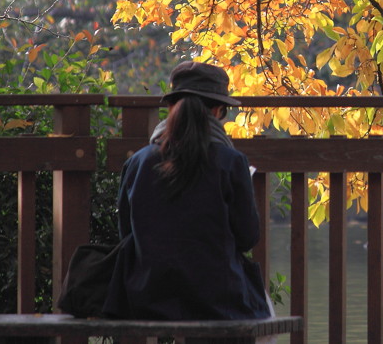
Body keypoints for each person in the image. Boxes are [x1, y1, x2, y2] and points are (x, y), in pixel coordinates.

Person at [103, 61, 271, 320]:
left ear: (171, 107)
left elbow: (127, 232)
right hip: (219, 299)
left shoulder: (138, 161)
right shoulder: (231, 161)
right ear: (217, 110)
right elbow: (248, 237)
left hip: (145, 298)